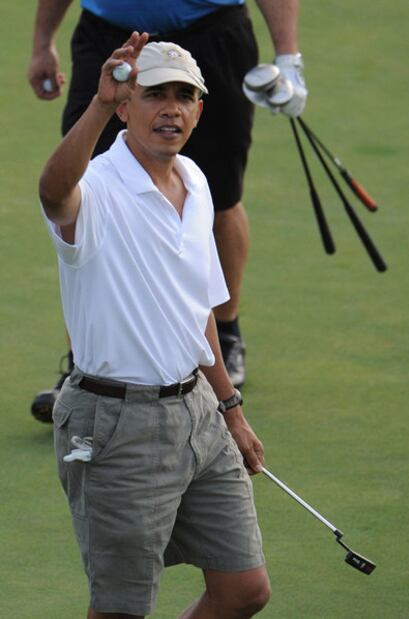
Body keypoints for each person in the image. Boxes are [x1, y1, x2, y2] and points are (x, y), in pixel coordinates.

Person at [40, 32, 271, 618]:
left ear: (199, 109)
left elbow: (201, 312)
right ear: (124, 106)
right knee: (121, 609)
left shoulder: (194, 180)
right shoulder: (95, 188)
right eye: (152, 94)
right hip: (116, 424)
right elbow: (53, 191)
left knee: (244, 590)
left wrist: (232, 411)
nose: (170, 108)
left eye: (183, 96)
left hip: (200, 417)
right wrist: (94, 103)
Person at [28, 0, 308, 422]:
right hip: (108, 36)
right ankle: (85, 365)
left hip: (212, 31)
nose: (171, 106)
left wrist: (288, 57)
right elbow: (56, 193)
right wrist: (42, 41)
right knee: (84, 205)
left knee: (217, 196)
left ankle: (224, 336)